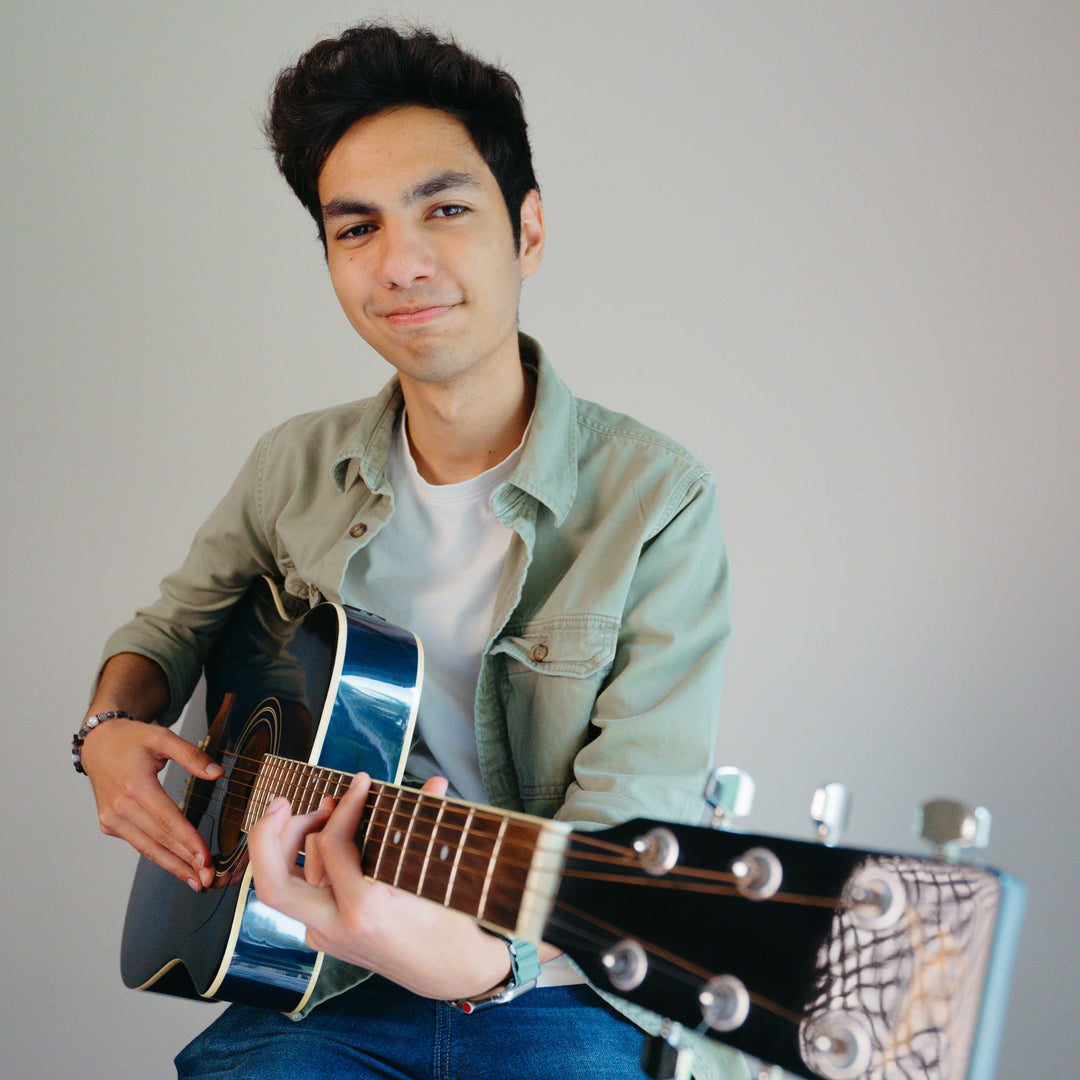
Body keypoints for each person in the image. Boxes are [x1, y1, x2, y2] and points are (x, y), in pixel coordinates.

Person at [76, 23, 736, 1080]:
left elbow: (630, 824)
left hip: (553, 987)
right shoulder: (293, 465)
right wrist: (108, 729)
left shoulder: (657, 498)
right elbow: (167, 631)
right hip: (318, 983)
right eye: (357, 229)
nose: (401, 264)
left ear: (527, 230)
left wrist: (478, 960)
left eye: (446, 209)